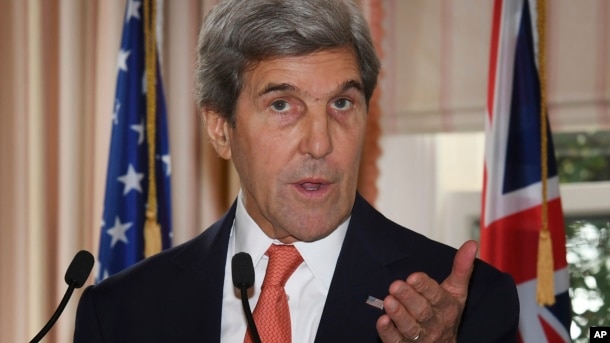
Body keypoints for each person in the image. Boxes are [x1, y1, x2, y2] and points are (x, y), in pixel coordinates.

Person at [74, 0, 519, 342]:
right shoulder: (122, 312)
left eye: (342, 103)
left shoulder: (463, 304)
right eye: (282, 105)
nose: (321, 143)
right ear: (221, 129)